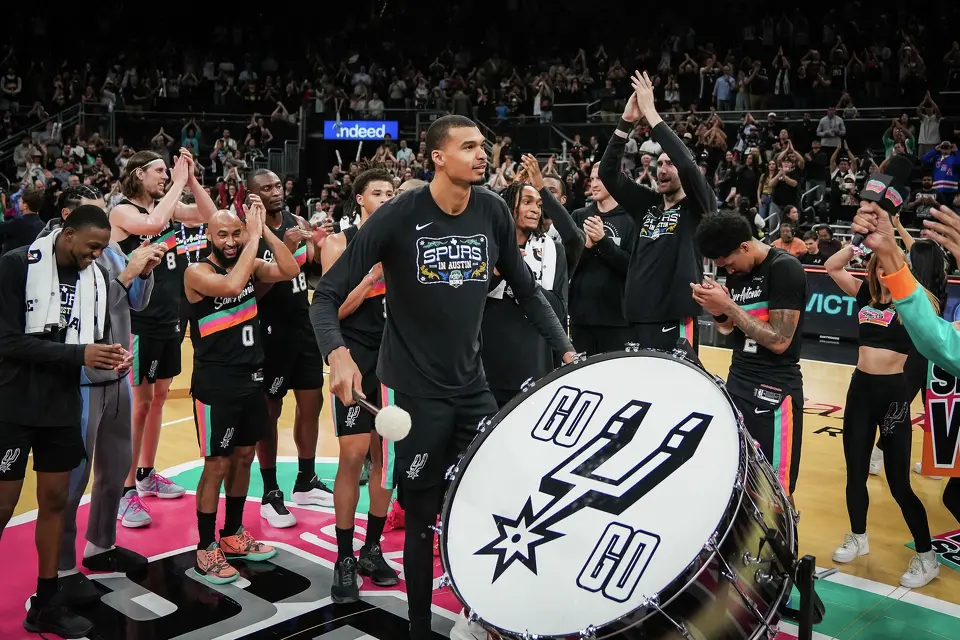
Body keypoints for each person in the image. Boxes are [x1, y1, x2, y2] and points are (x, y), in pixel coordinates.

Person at [311, 115, 575, 640]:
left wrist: (565, 349)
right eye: (469, 147)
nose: (482, 155)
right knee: (424, 513)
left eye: (484, 147)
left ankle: (484, 614)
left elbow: (525, 288)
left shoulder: (493, 211)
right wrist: (337, 354)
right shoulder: (395, 217)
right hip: (416, 393)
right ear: (436, 156)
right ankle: (416, 627)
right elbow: (325, 296)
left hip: (472, 387)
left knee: (502, 500)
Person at [0, 205, 128, 638]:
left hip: (61, 403)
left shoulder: (91, 278)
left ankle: (47, 601)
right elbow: (6, 341)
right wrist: (80, 355)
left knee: (55, 502)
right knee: (2, 504)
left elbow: (89, 339)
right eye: (91, 247)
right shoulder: (16, 265)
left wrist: (109, 356)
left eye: (102, 250)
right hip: (12, 402)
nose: (96, 256)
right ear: (68, 233)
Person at [35, 187, 165, 602]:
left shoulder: (106, 247)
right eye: (95, 211)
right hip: (80, 381)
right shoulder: (47, 258)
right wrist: (127, 276)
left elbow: (136, 304)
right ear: (69, 216)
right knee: (72, 479)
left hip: (118, 375)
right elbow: (79, 312)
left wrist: (143, 272)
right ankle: (62, 566)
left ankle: (101, 545)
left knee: (115, 467)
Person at [184, 198, 299, 584]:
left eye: (236, 232)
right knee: (216, 464)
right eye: (223, 234)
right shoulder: (197, 271)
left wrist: (264, 230)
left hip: (253, 377)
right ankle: (205, 547)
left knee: (246, 455)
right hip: (217, 383)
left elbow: (290, 268)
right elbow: (231, 284)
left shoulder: (249, 263)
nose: (231, 240)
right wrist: (252, 239)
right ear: (209, 236)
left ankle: (232, 534)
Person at [110, 149, 218, 524]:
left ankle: (145, 474)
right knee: (137, 406)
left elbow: (208, 215)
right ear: (138, 174)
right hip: (138, 320)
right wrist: (176, 185)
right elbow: (153, 223)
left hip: (171, 317)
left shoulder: (168, 206)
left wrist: (189, 180)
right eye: (158, 171)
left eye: (165, 172)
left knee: (157, 400)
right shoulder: (121, 212)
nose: (163, 176)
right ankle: (124, 492)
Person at [822, 244, 938, 587]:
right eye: (878, 268)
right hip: (860, 393)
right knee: (855, 473)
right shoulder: (864, 296)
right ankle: (858, 536)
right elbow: (832, 266)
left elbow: (940, 331)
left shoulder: (913, 302)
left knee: (900, 484)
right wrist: (860, 245)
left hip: (893, 398)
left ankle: (927, 555)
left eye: (889, 267)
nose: (883, 273)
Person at [850, 202, 960, 525]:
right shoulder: (931, 275)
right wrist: (890, 242)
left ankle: (887, 449)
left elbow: (933, 336)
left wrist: (892, 241)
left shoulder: (923, 290)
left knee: (908, 399)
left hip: (920, 353)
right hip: (928, 349)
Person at [319, 168, 398, 602]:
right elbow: (335, 309)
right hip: (355, 358)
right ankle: (344, 555)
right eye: (378, 193)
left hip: (396, 360)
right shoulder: (339, 243)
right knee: (352, 456)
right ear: (360, 200)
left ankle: (372, 548)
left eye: (391, 192)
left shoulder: (402, 241)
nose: (386, 198)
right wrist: (370, 278)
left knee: (386, 458)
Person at [691, 211, 806, 500]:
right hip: (738, 381)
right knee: (740, 478)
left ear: (745, 246)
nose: (728, 271)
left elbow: (780, 341)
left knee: (775, 490)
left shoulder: (785, 268)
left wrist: (728, 306)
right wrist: (717, 310)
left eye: (728, 264)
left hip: (774, 390)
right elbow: (731, 331)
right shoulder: (740, 271)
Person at [599, 72, 716, 351]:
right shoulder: (648, 204)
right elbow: (607, 172)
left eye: (669, 163)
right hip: (635, 317)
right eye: (659, 164)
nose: (662, 169)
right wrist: (626, 122)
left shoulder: (698, 206)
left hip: (673, 319)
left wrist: (650, 113)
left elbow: (687, 165)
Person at [246, 169, 332, 529]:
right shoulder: (249, 232)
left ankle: (305, 480)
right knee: (270, 410)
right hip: (271, 326)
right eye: (265, 188)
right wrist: (291, 249)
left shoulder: (296, 218)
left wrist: (316, 245)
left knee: (312, 400)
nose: (275, 192)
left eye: (278, 186)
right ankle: (270, 491)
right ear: (251, 195)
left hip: (303, 320)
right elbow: (251, 289)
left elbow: (305, 267)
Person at [483, 154, 584, 408]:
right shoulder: (486, 247)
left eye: (539, 204)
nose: (535, 209)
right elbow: (473, 299)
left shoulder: (554, 251)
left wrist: (520, 275)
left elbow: (559, 309)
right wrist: (498, 271)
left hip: (535, 364)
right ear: (509, 207)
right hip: (488, 363)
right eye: (527, 202)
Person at [568, 162, 634, 355]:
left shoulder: (631, 218)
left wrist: (603, 241)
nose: (594, 184)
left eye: (601, 179)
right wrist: (587, 247)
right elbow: (568, 267)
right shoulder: (579, 216)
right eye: (592, 179)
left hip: (618, 320)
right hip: (581, 317)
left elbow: (631, 267)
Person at [0, 186, 45, 255]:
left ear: (25, 206)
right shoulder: (43, 226)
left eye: (20, 201)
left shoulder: (17, 223)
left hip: (13, 262)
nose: (19, 203)